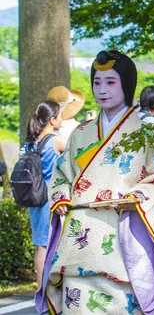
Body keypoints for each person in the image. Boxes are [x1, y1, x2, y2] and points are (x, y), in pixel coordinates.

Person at [37, 50, 154, 314]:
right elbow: (62, 175)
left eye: (110, 82)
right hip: (79, 240)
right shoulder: (80, 133)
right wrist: (61, 196)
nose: (102, 90)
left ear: (127, 85)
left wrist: (138, 196)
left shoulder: (150, 132)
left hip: (125, 235)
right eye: (97, 82)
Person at [24, 100, 66, 288]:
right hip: (50, 198)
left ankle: (44, 287)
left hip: (35, 197)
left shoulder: (31, 142)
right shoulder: (55, 141)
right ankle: (43, 290)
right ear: (51, 120)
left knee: (41, 244)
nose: (62, 120)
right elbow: (78, 152)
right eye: (60, 116)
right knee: (45, 245)